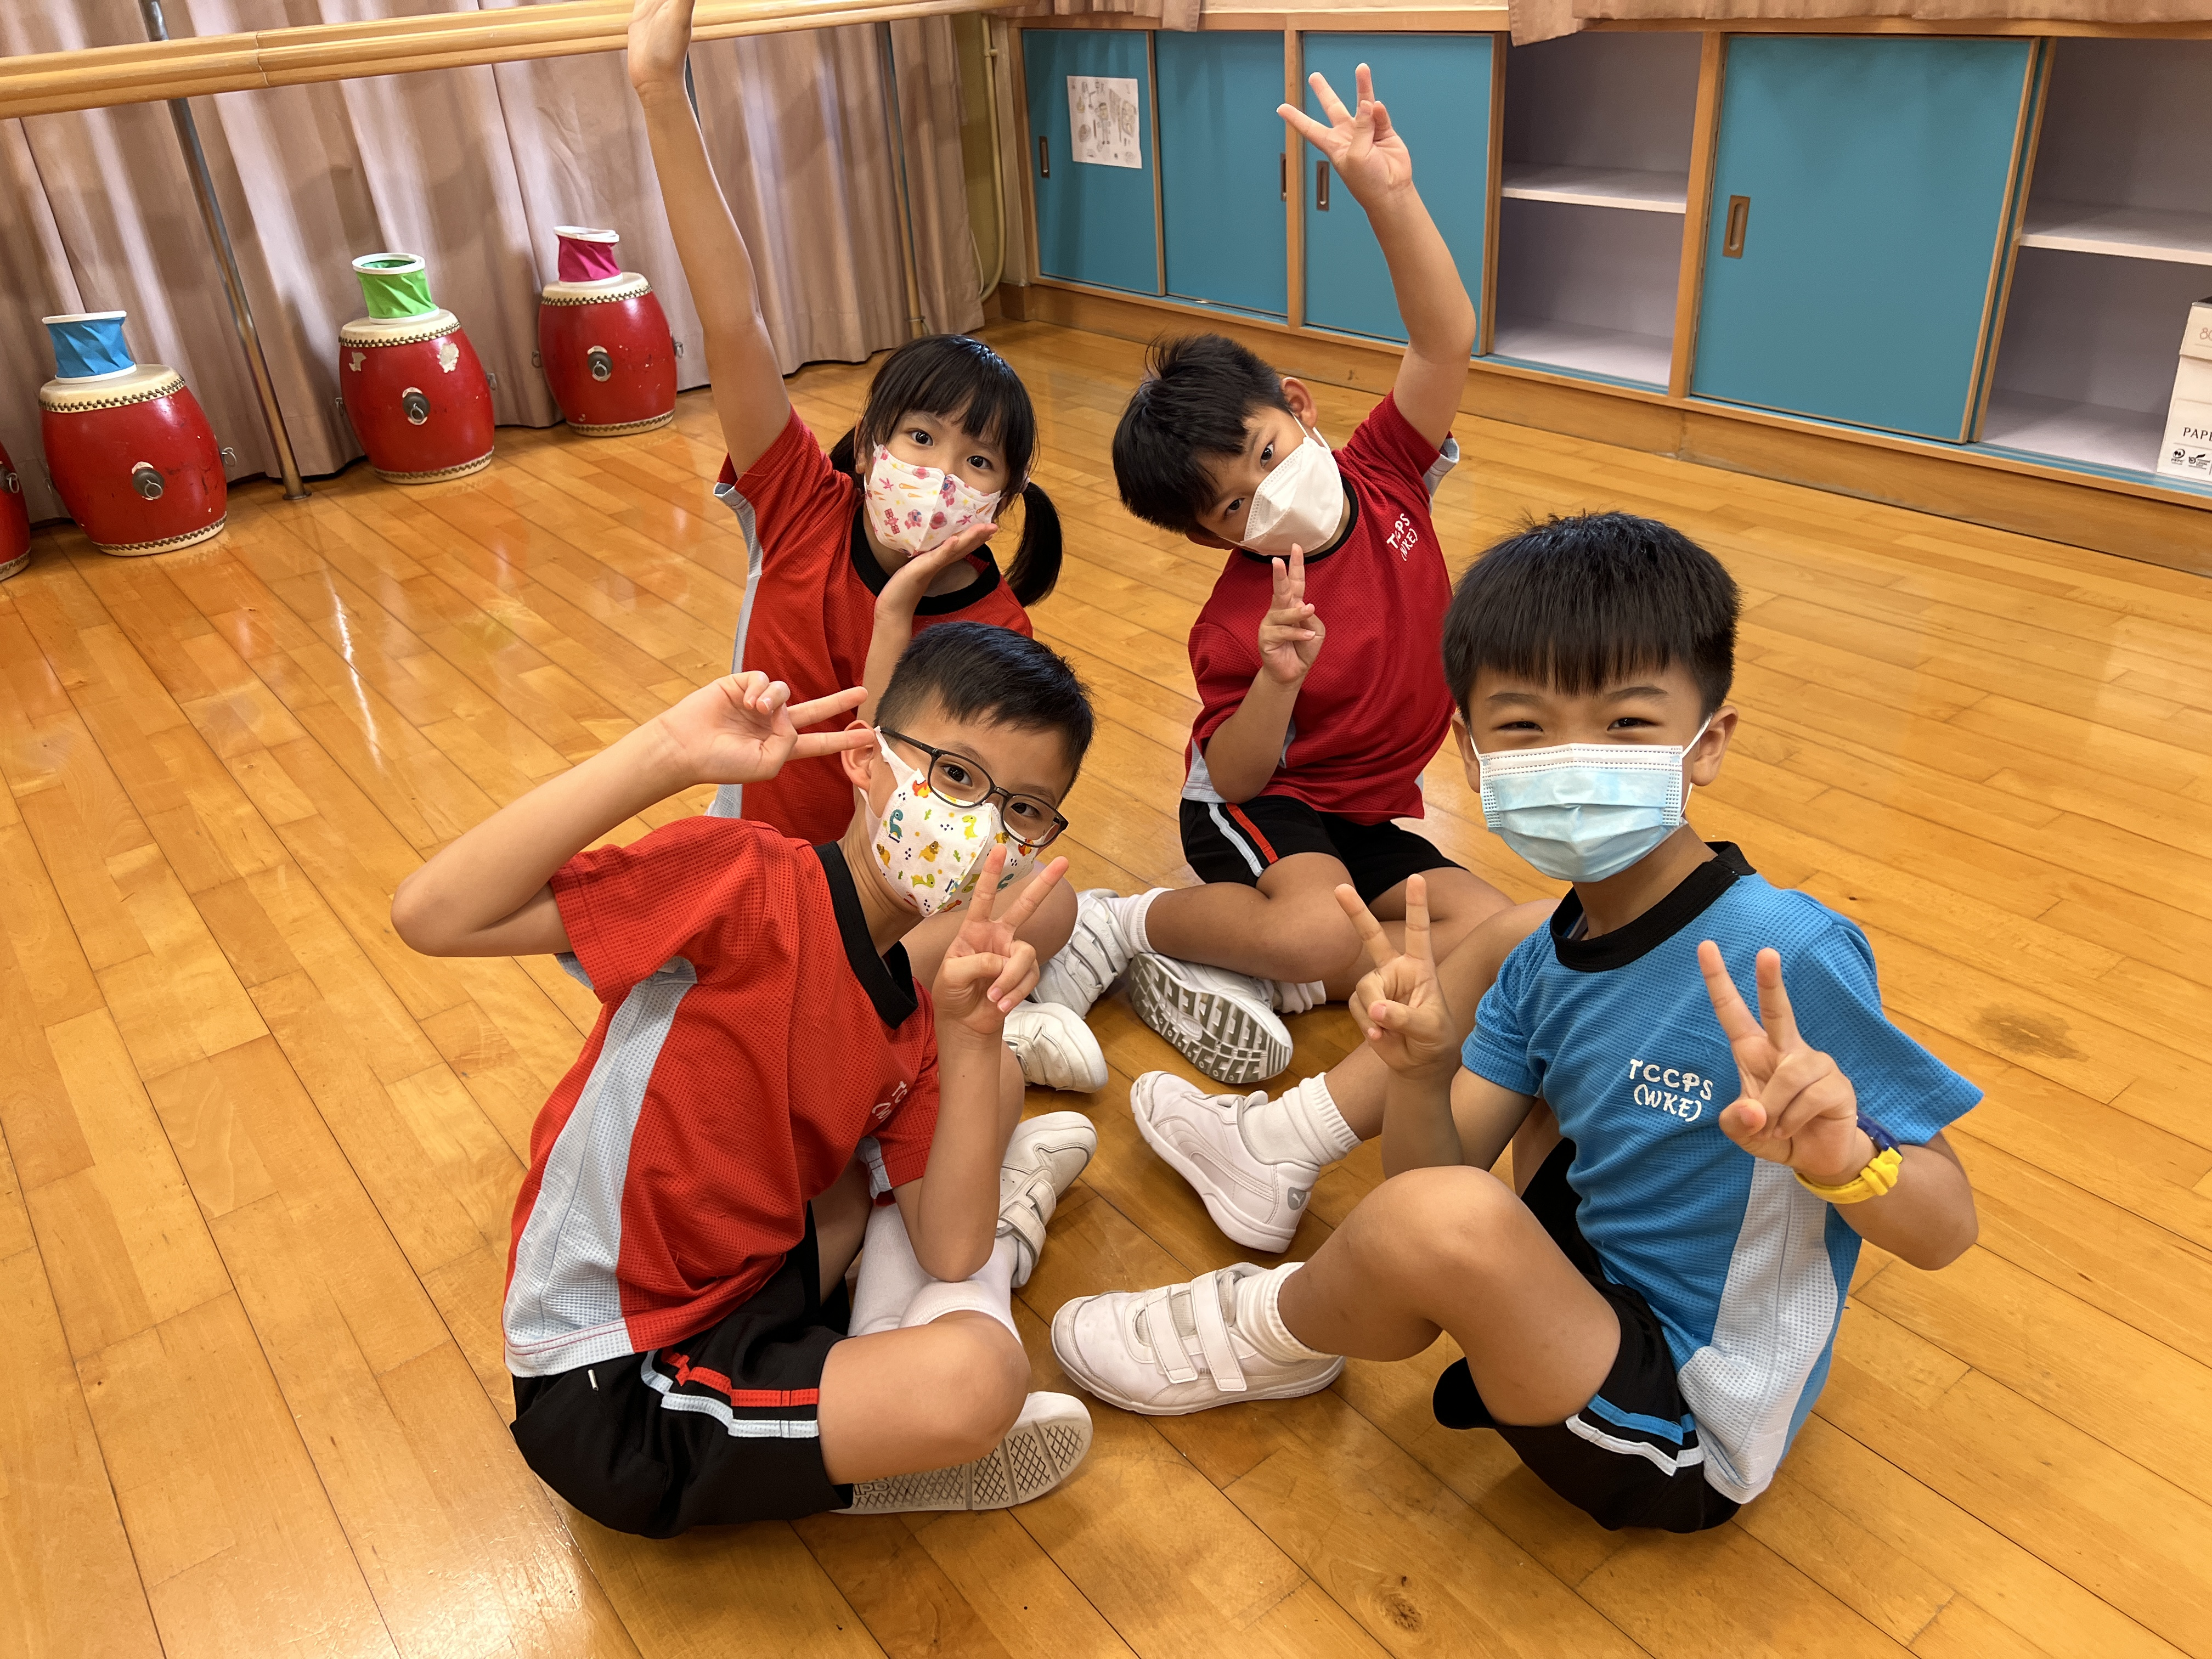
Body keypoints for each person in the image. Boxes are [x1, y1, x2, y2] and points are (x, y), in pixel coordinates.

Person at [1050, 513, 1983, 1532]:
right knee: (1465, 1168)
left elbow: (1947, 1231)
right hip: (1579, 1298)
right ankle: (1309, 1235)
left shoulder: (1788, 954)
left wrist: (1850, 1161)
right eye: (1527, 728)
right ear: (1470, 750)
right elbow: (1424, 1187)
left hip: (1688, 1422)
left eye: (1626, 725)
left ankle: (1270, 1331)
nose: (1575, 760)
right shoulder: (1549, 955)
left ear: (1707, 743)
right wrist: (1416, 1074)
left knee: (1450, 1217)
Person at [391, 623, 1103, 1533]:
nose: (980, 828)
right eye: (956, 776)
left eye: (1023, 811)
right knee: (982, 1379)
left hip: (748, 1281)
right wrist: (667, 752)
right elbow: (432, 915)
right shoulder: (741, 877)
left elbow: (952, 1248)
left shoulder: (919, 1025)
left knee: (989, 1078)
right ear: (866, 759)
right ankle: (877, 1424)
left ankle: (872, 1384)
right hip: (615, 1376)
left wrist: (969, 1038)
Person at [626, 0, 1101, 1093]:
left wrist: (896, 625)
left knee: (1049, 904)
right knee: (732, 988)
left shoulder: (998, 629)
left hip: (896, 884)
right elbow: (733, 320)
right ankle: (931, 1035)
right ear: (871, 440)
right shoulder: (801, 501)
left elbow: (897, 799)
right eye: (920, 438)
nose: (940, 472)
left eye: (978, 460)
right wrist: (659, 92)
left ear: (1006, 498)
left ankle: (929, 1030)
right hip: (773, 857)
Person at [1033, 65, 1509, 1086]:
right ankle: (1126, 925)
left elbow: (1444, 339)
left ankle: (1267, 979)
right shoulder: (1236, 621)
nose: (1265, 496)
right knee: (1323, 934)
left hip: (1364, 809)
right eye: (1232, 508)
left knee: (1499, 935)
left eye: (1264, 451)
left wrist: (1390, 199)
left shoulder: (1386, 472)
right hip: (1265, 804)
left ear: (1297, 405)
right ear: (1209, 538)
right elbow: (1239, 776)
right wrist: (1277, 679)